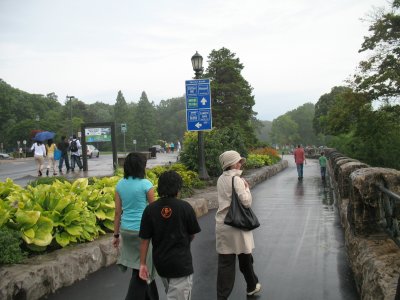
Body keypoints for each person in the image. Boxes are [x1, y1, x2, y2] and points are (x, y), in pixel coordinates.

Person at [139, 170, 201, 300]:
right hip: (181, 264)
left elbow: (145, 239)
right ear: (178, 188)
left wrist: (143, 264)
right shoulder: (185, 207)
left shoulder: (150, 209)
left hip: (161, 264)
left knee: (171, 293)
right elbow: (192, 234)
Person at [216, 150, 261, 299]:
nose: (241, 163)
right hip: (238, 224)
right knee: (245, 257)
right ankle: (251, 286)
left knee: (225, 264)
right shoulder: (237, 180)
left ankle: (222, 296)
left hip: (223, 223)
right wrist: (247, 188)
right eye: (239, 161)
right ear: (233, 163)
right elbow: (246, 202)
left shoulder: (220, 179)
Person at [113, 152, 159, 300]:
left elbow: (117, 213)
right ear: (142, 167)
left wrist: (116, 235)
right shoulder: (146, 184)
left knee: (140, 266)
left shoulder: (120, 184)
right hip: (143, 233)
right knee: (144, 267)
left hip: (126, 230)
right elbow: (153, 211)